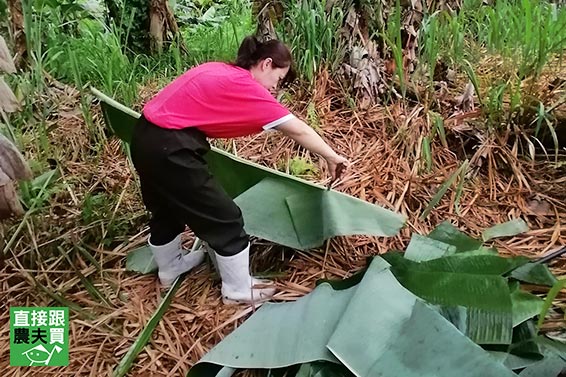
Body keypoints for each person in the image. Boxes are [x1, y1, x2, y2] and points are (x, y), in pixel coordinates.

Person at [130, 35, 349, 305]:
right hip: (171, 148)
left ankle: (170, 268)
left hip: (144, 137)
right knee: (226, 218)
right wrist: (332, 156)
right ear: (266, 64)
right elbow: (298, 129)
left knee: (166, 207)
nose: (273, 89)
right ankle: (237, 290)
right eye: (277, 81)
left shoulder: (220, 69)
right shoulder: (245, 85)